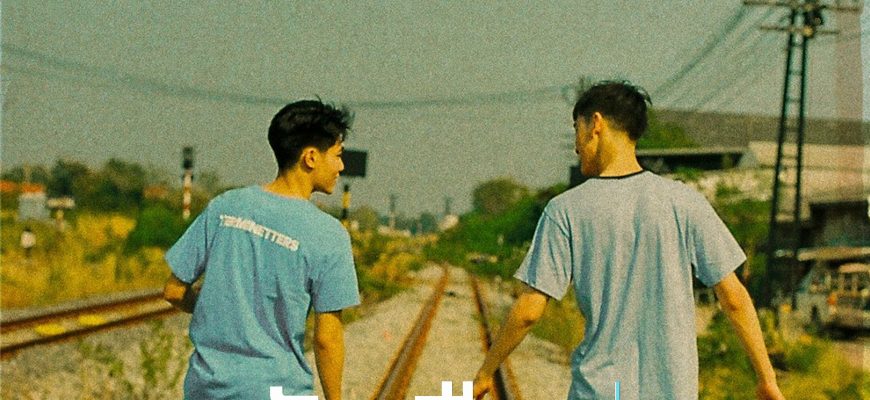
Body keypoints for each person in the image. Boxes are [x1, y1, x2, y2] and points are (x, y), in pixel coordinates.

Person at [472, 81, 785, 400]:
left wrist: (485, 373)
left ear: (595, 124)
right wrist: (766, 379)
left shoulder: (565, 210)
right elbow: (734, 297)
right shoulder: (685, 202)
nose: (576, 146)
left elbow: (529, 310)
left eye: (576, 129)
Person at [163, 99, 360, 400]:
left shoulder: (224, 207)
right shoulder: (329, 235)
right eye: (337, 155)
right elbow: (327, 339)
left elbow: (174, 291)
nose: (341, 166)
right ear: (310, 157)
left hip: (206, 387)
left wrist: (217, 309)